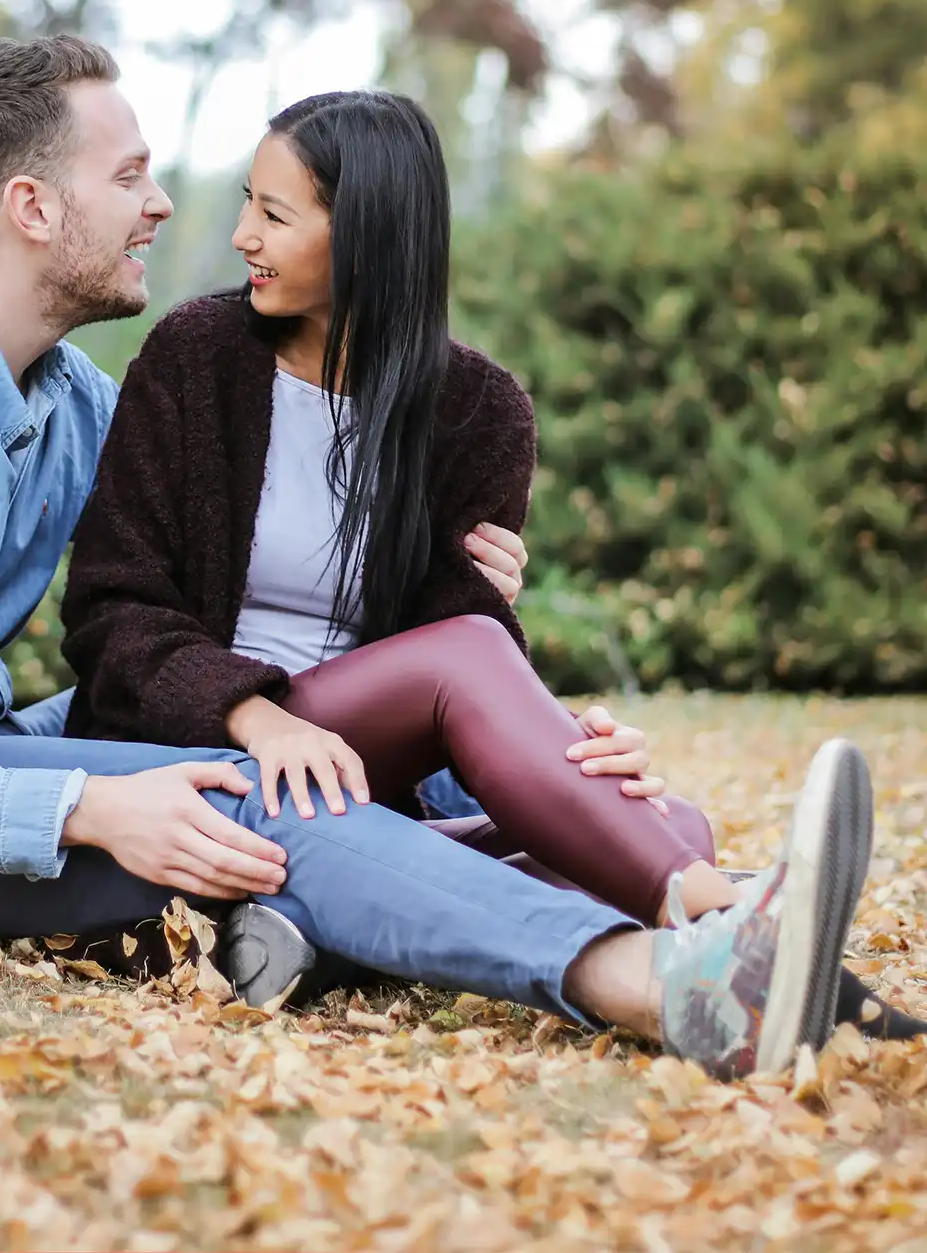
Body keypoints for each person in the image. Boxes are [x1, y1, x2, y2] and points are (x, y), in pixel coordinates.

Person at [0, 34, 875, 1079]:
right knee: (255, 795)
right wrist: (90, 807)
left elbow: (194, 567)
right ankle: (667, 981)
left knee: (293, 790)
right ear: (30, 206)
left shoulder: (69, 402)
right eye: (127, 177)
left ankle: (630, 901)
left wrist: (531, 715)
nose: (163, 204)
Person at [59, 87, 920, 1039]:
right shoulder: (197, 357)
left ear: (368, 236)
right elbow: (111, 610)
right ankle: (729, 918)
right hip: (201, 746)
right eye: (248, 205)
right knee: (605, 800)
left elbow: (456, 650)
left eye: (274, 213)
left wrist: (568, 749)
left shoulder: (478, 411)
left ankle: (307, 933)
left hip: (362, 778)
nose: (241, 236)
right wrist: (258, 717)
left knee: (669, 822)